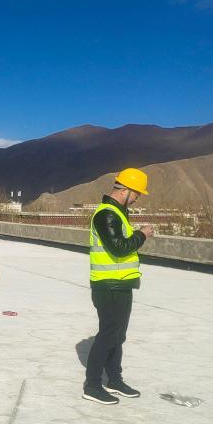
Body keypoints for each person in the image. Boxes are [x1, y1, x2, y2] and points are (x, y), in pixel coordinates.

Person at [83, 168, 155, 405]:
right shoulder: (106, 214)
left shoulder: (118, 214)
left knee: (118, 336)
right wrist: (142, 235)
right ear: (125, 191)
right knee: (107, 335)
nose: (137, 199)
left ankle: (114, 379)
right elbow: (119, 247)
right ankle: (92, 385)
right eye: (137, 194)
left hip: (121, 285)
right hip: (108, 286)